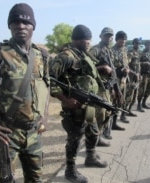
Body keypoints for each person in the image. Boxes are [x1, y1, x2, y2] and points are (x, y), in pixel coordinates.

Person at [0, 3, 50, 182]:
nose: (21, 26)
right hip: (7, 135)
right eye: (15, 22)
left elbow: (46, 88)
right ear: (9, 25)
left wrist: (45, 116)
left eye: (26, 22)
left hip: (34, 134)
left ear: (33, 26)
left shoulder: (42, 55)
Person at [49, 24, 108, 183]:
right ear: (76, 39)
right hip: (73, 107)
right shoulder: (65, 57)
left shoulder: (84, 55)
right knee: (75, 138)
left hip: (88, 105)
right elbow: (49, 81)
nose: (88, 42)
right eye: (85, 39)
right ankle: (70, 170)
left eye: (89, 39)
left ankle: (90, 156)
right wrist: (65, 100)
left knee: (93, 131)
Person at [89, 27, 123, 143]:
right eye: (106, 36)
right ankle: (94, 139)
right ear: (100, 36)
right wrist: (102, 67)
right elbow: (86, 67)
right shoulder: (95, 50)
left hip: (107, 87)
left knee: (107, 112)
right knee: (100, 114)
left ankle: (98, 135)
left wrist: (116, 89)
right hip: (98, 87)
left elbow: (112, 71)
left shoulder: (107, 51)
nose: (108, 38)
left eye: (110, 36)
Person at [111, 31, 132, 124]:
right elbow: (110, 67)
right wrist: (120, 71)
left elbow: (126, 62)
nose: (123, 41)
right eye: (121, 39)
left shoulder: (124, 50)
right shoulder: (112, 51)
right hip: (116, 80)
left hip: (124, 79)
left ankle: (116, 121)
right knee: (115, 101)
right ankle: (111, 124)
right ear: (116, 39)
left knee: (121, 100)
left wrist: (127, 69)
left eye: (124, 39)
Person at [127, 38, 141, 115]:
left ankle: (129, 111)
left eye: (139, 43)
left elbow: (138, 65)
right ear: (133, 44)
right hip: (131, 78)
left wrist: (139, 74)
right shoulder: (130, 53)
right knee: (129, 96)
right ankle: (123, 114)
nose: (138, 45)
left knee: (134, 96)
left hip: (137, 77)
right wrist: (134, 73)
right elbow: (126, 66)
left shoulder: (137, 53)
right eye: (136, 43)